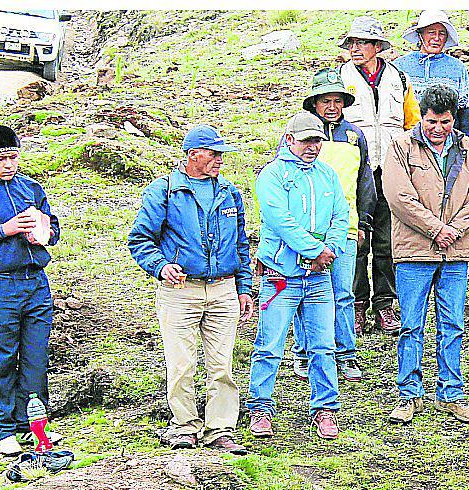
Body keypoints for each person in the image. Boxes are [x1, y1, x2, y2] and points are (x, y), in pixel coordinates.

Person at [127, 125, 254, 455]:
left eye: (220, 155)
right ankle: (184, 424)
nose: (219, 160)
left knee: (222, 364)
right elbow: (140, 239)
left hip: (224, 288)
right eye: (213, 154)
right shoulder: (165, 191)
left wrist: (244, 288)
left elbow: (240, 244)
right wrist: (160, 266)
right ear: (192, 154)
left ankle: (221, 427)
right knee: (181, 363)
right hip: (181, 289)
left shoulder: (229, 192)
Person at [382, 83, 469, 425]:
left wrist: (453, 230)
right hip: (414, 252)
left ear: (453, 119)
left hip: (456, 253)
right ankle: (408, 394)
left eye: (445, 122)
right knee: (411, 324)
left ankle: (451, 393)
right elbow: (398, 197)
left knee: (453, 324)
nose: (438, 129)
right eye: (431, 122)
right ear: (421, 118)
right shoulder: (400, 147)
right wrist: (435, 229)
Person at [248, 112, 350, 440]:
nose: (312, 147)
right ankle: (260, 407)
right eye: (306, 141)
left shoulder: (328, 176)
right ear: (289, 140)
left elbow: (340, 213)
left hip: (318, 277)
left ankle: (325, 409)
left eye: (317, 140)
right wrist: (313, 250)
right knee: (269, 343)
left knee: (323, 344)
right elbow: (280, 221)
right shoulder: (272, 176)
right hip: (280, 276)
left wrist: (330, 249)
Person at [339, 15, 422, 335]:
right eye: (352, 43)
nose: (356, 49)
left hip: (391, 167)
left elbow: (412, 124)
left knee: (387, 241)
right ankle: (357, 305)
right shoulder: (338, 77)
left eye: (362, 43)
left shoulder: (399, 78)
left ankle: (385, 305)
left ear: (377, 47)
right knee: (356, 238)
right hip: (353, 169)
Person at [290, 68, 374, 383]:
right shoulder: (296, 134)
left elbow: (365, 183)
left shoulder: (355, 136)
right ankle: (304, 353)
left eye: (337, 100)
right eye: (325, 100)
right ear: (314, 103)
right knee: (304, 292)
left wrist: (363, 221)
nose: (331, 107)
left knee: (343, 293)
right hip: (306, 232)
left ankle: (346, 355)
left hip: (346, 228)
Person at [0, 125, 61, 456]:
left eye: (13, 157)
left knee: (35, 358)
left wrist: (43, 233)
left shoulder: (32, 188)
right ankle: (2, 429)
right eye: (1, 159)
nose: (9, 164)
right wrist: (5, 230)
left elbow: (54, 227)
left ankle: (34, 427)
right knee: (1, 357)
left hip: (36, 283)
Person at [396, 10, 469, 135]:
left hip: (446, 140)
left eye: (442, 33)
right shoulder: (399, 66)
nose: (437, 38)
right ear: (420, 35)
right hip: (409, 139)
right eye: (431, 32)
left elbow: (465, 114)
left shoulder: (458, 68)